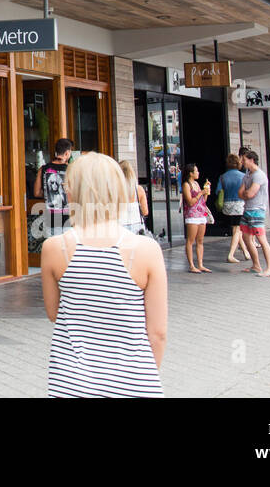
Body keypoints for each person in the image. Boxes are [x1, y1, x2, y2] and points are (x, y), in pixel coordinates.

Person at [42, 152, 167, 397]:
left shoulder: (55, 249)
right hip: (134, 381)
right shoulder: (146, 250)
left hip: (71, 383)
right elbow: (157, 333)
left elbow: (54, 312)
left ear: (72, 193)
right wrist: (143, 376)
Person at [238, 147, 270, 278]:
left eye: (244, 160)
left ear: (252, 160)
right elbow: (241, 193)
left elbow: (250, 193)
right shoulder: (247, 175)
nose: (242, 162)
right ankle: (256, 265)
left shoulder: (259, 175)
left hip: (257, 211)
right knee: (246, 237)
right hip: (247, 209)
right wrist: (245, 194)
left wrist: (245, 194)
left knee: (261, 239)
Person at [33, 139, 73, 238]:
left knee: (53, 250)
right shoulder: (72, 169)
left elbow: (37, 193)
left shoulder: (43, 169)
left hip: (50, 219)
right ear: (67, 153)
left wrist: (49, 193)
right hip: (68, 219)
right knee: (68, 251)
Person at [218, 153, 253, 265]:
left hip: (227, 205)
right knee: (237, 230)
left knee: (236, 229)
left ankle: (245, 252)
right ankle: (231, 255)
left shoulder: (223, 176)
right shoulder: (243, 176)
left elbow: (218, 191)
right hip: (239, 205)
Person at [181, 163, 211, 273]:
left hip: (201, 214)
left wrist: (206, 191)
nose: (198, 173)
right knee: (190, 240)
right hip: (192, 215)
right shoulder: (186, 185)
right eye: (196, 171)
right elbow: (190, 202)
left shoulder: (197, 184)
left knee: (200, 240)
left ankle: (200, 264)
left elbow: (203, 201)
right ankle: (192, 265)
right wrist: (200, 193)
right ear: (191, 173)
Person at [117, 159, 149, 235]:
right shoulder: (139, 190)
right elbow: (145, 212)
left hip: (120, 227)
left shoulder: (115, 190)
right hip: (137, 228)